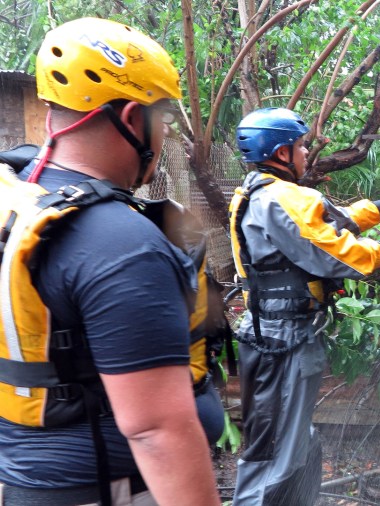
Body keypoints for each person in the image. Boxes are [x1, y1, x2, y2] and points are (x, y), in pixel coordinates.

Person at [0, 17, 221, 506]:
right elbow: (155, 430)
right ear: (129, 120)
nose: (162, 138)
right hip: (107, 490)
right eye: (160, 120)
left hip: (27, 481)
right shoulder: (119, 243)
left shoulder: (17, 202)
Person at [228, 107, 380, 505]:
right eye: (300, 147)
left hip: (276, 334)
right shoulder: (282, 197)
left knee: (293, 442)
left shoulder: (257, 191)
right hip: (282, 341)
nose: (305, 155)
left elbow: (322, 226)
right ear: (282, 154)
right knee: (275, 453)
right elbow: (332, 254)